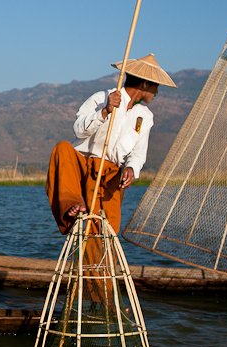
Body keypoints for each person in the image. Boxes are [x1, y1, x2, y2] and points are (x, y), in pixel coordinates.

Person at [46, 53, 176, 237]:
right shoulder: (102, 97)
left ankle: (96, 265)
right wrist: (104, 111)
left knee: (105, 230)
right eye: (156, 86)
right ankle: (74, 203)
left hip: (109, 174)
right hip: (82, 163)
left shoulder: (145, 117)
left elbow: (138, 154)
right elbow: (78, 130)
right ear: (145, 84)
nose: (157, 93)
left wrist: (131, 168)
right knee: (62, 149)